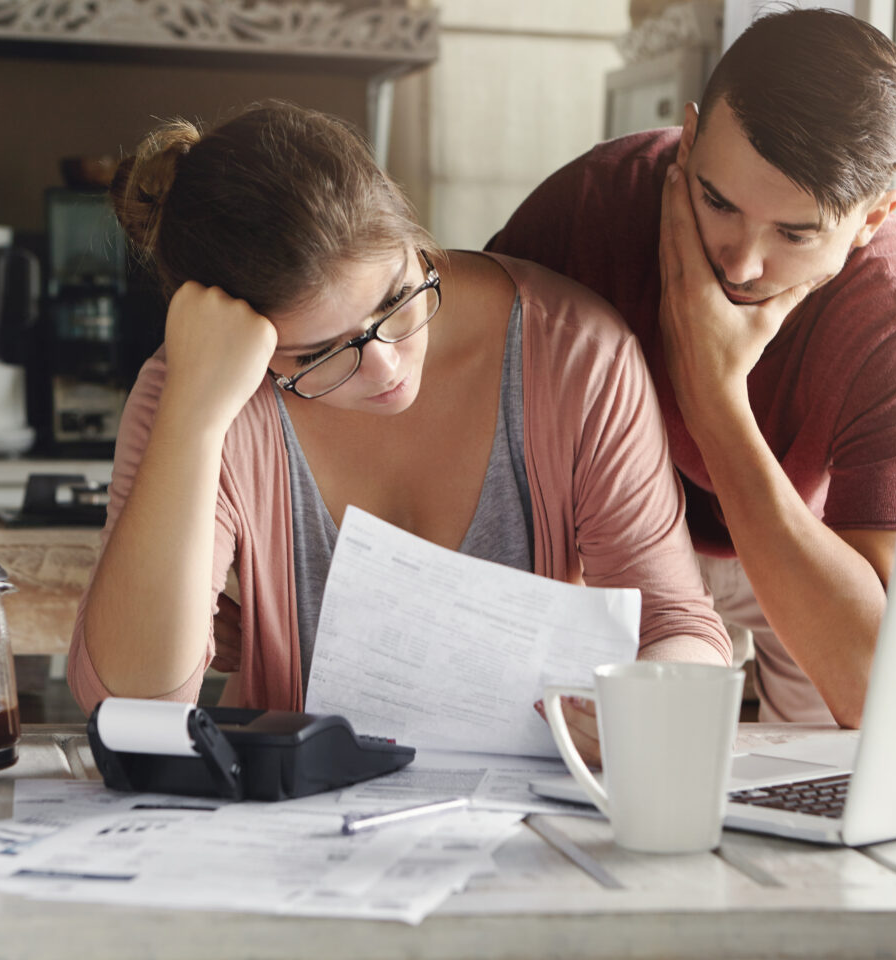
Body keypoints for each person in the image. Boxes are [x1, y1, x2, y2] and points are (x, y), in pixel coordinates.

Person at [68, 101, 730, 763]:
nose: (387, 365)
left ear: (413, 236)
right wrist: (194, 417)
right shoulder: (195, 391)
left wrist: (651, 700)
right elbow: (131, 707)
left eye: (396, 299)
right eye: (321, 353)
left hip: (533, 819)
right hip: (292, 833)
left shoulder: (576, 352)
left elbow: (678, 625)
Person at [487, 8, 896, 727]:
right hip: (613, 532)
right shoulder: (591, 207)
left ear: (872, 219)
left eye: (795, 233)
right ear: (689, 138)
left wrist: (713, 396)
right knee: (578, 747)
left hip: (798, 538)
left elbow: (870, 685)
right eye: (717, 201)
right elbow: (459, 405)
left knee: (834, 768)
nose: (740, 261)